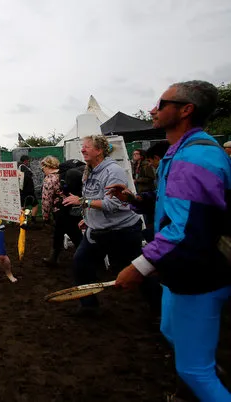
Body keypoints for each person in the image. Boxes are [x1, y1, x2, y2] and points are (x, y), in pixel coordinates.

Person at [115, 80, 231, 401]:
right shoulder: (180, 152)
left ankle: (199, 378)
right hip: (180, 271)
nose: (153, 109)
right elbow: (172, 202)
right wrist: (136, 199)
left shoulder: (195, 158)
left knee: (195, 370)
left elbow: (184, 228)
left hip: (200, 275)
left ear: (185, 110)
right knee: (170, 332)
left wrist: (138, 266)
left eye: (161, 103)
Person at [62, 135, 159, 316]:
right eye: (82, 147)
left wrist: (81, 201)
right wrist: (89, 217)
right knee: (80, 264)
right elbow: (94, 199)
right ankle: (89, 307)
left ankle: (159, 310)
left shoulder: (113, 171)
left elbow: (111, 205)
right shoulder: (89, 171)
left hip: (122, 232)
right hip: (97, 231)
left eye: (87, 147)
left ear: (99, 150)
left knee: (138, 271)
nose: (82, 150)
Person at [40, 156, 83, 267]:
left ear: (47, 166)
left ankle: (87, 259)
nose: (42, 170)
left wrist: (45, 216)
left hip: (60, 211)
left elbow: (46, 199)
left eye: (42, 167)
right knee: (59, 234)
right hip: (73, 208)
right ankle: (53, 258)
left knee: (76, 237)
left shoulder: (50, 178)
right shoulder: (64, 174)